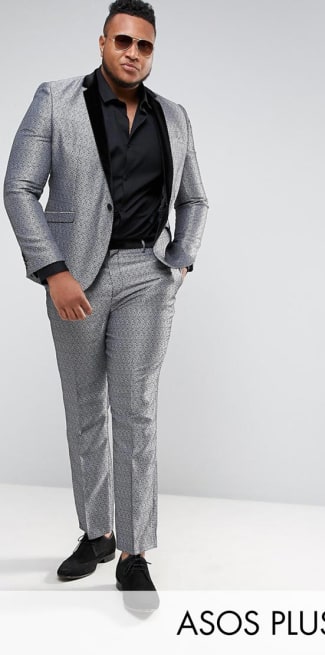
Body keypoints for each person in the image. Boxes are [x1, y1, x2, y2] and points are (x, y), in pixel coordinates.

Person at [3, 0, 208, 611]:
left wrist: (180, 260)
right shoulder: (56, 100)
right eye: (123, 41)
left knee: (136, 411)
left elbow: (195, 199)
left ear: (152, 52)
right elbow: (19, 187)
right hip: (76, 280)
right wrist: (54, 271)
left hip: (148, 274)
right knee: (84, 409)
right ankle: (96, 534)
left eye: (144, 46)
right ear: (102, 42)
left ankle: (133, 552)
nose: (133, 53)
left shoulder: (174, 116)